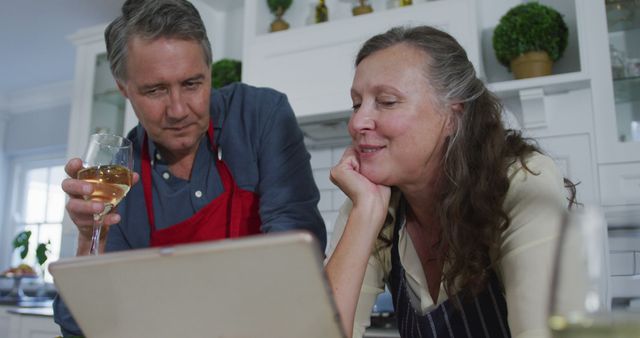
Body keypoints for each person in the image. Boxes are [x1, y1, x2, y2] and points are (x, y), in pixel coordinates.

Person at [53, 0, 326, 336]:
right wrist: (88, 241)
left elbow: (297, 255)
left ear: (209, 71)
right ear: (124, 89)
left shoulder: (259, 116)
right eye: (156, 90)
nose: (179, 109)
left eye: (193, 84)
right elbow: (82, 325)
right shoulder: (119, 176)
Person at [325, 26, 578, 338]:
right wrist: (363, 216)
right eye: (356, 104)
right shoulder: (369, 199)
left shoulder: (522, 182)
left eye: (387, 101)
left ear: (453, 116)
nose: (357, 122)